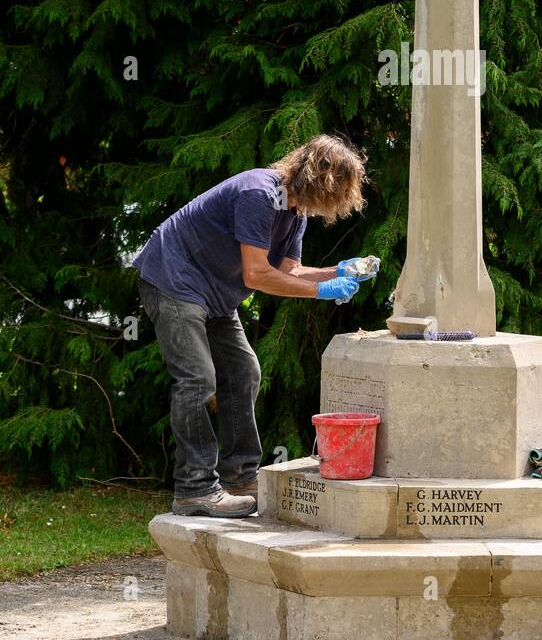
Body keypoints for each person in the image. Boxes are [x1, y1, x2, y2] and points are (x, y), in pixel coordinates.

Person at [133, 134, 376, 518]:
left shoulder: (296, 212)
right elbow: (257, 274)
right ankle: (194, 489)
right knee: (198, 380)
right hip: (174, 278)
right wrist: (323, 291)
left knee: (244, 371)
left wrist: (338, 270)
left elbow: (288, 270)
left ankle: (239, 479)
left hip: (212, 293)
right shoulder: (258, 194)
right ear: (319, 178)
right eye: (339, 189)